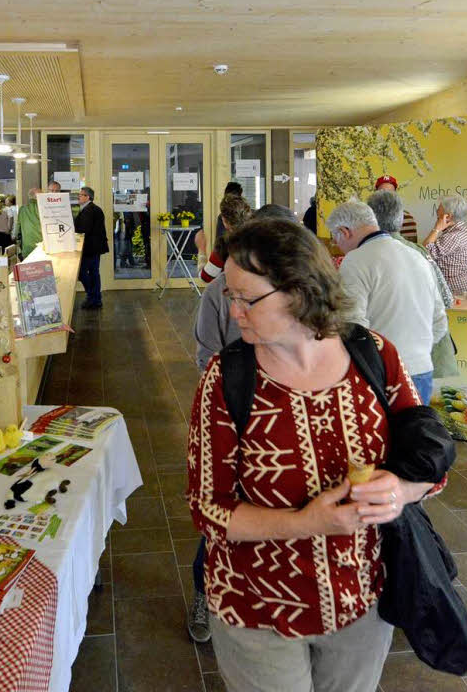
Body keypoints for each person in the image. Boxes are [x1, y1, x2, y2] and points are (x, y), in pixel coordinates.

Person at [188, 217, 437, 692]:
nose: (234, 311)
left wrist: (401, 490)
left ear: (300, 291)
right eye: (230, 296)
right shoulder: (226, 379)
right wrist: (305, 523)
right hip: (255, 608)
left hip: (363, 599)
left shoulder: (375, 355)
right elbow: (208, 508)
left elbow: (428, 456)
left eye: (247, 298)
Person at [187, 203, 298, 644]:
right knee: (223, 517)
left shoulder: (320, 302)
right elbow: (205, 352)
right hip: (239, 425)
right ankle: (203, 592)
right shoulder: (221, 294)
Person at [327, 200, 448, 405]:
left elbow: (352, 326)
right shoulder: (416, 256)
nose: (337, 245)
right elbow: (439, 321)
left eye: (334, 238)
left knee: (381, 437)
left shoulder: (356, 260)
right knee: (416, 436)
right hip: (422, 370)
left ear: (344, 232)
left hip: (382, 375)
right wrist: (415, 352)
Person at [367, 189, 458, 380]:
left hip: (387, 359)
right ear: (400, 219)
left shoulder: (366, 255)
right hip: (417, 359)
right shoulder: (416, 252)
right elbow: (445, 301)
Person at [423, 194, 467, 296]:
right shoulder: (459, 229)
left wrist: (437, 228)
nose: (437, 211)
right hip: (457, 291)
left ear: (448, 216)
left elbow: (424, 251)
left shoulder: (454, 236)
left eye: (439, 209)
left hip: (455, 293)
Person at [198, 195, 252, 284]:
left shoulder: (224, 244)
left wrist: (202, 250)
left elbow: (205, 277)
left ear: (224, 220)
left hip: (235, 295)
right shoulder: (262, 236)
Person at [74, 186, 108, 309]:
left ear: (87, 197)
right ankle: (95, 298)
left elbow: (84, 229)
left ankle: (93, 297)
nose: (79, 196)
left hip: (90, 248)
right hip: (93, 247)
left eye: (81, 195)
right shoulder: (90, 209)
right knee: (93, 273)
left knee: (84, 272)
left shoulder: (89, 210)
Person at [374, 175, 419, 242]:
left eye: (390, 192)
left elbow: (411, 248)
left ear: (395, 194)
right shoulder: (368, 216)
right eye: (382, 191)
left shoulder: (406, 217)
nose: (386, 195)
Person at [15, 186, 43, 259]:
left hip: (27, 247)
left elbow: (17, 229)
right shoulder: (43, 208)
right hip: (42, 246)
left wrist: (18, 242)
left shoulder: (22, 209)